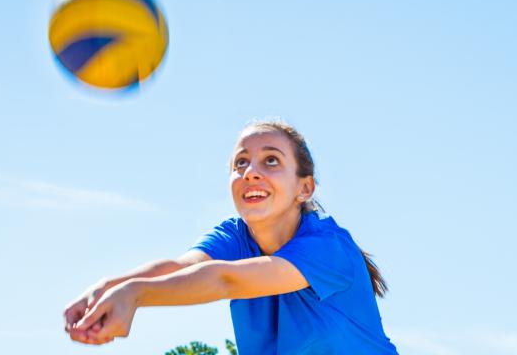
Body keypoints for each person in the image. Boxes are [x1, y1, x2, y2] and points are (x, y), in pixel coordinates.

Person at [63, 119, 398, 354]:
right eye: (241, 163)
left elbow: (225, 281)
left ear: (304, 187)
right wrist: (108, 288)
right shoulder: (235, 237)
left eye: (271, 160)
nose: (250, 172)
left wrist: (134, 294)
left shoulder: (328, 246)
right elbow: (183, 267)